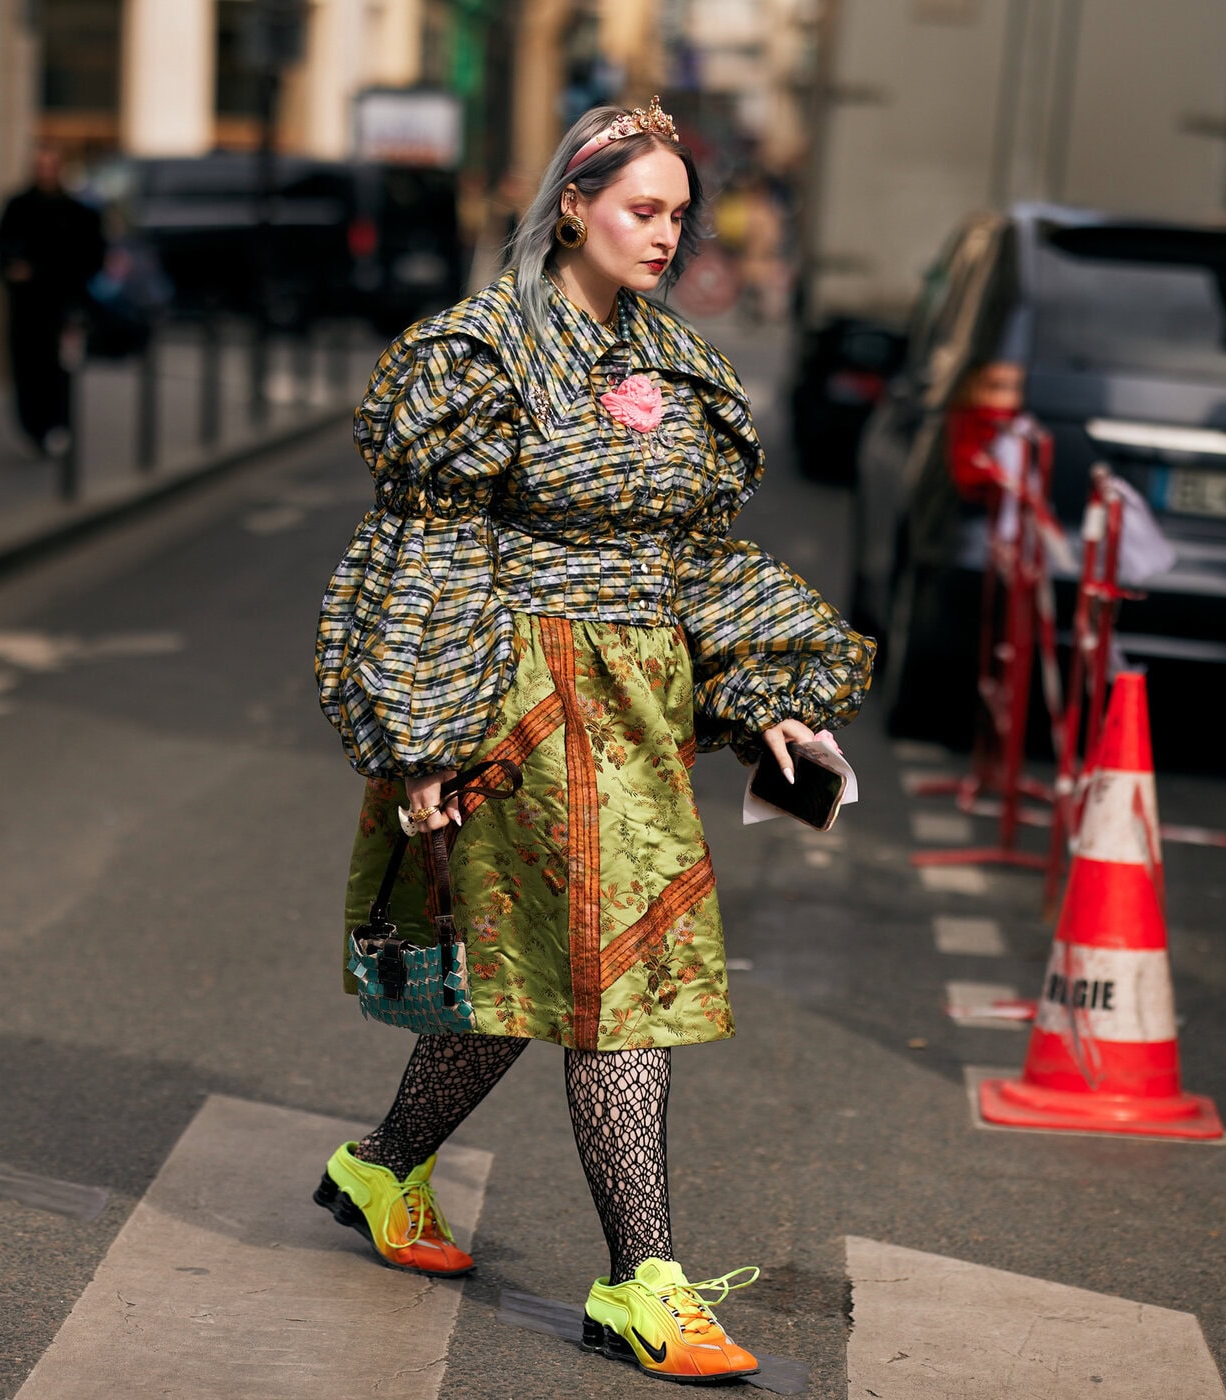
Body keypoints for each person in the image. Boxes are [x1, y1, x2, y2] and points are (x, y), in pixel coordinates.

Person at [313, 100, 874, 1384]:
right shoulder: (479, 353)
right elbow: (431, 553)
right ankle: (643, 1281)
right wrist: (427, 740)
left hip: (640, 708)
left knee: (527, 981)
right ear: (573, 202)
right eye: (643, 209)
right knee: (616, 974)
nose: (669, 234)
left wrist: (767, 686)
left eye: (681, 212)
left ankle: (381, 1166)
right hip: (516, 699)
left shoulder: (679, 359)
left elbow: (697, 559)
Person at [0, 145, 105, 457]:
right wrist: (12, 269)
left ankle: (57, 426)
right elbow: (2, 250)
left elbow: (93, 255)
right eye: (40, 165)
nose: (46, 171)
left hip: (63, 307)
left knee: (60, 369)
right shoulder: (17, 207)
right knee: (27, 368)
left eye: (51, 165)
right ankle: (33, 427)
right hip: (27, 307)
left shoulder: (77, 212)